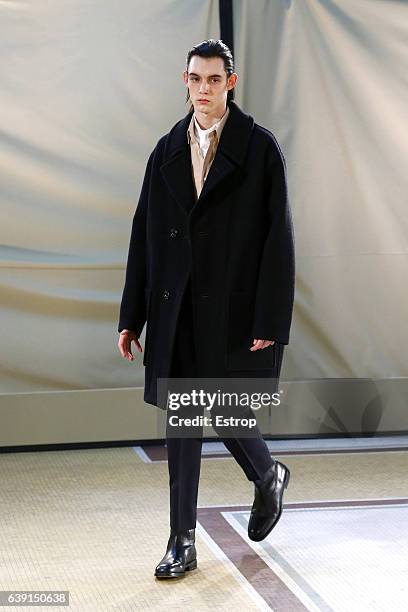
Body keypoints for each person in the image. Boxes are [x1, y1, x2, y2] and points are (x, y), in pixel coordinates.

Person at [118, 39, 295, 579]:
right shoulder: (165, 150)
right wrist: (132, 314)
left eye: (213, 80)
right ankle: (183, 538)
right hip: (175, 308)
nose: (203, 89)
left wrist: (269, 320)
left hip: (231, 308)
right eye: (195, 79)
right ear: (186, 80)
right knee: (185, 417)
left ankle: (266, 476)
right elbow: (143, 234)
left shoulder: (259, 149)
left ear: (230, 83)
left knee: (214, 406)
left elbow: (277, 239)